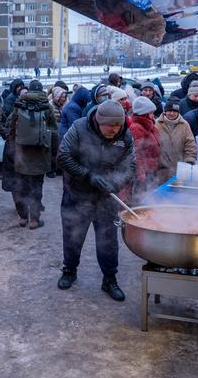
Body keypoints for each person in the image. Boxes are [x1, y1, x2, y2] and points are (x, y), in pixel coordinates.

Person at [57, 100, 136, 301]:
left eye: (117, 125)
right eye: (109, 125)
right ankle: (69, 270)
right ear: (99, 121)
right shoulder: (79, 128)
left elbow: (130, 166)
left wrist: (115, 183)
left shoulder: (125, 135)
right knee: (73, 235)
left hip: (106, 197)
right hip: (77, 193)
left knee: (108, 240)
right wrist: (88, 175)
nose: (114, 130)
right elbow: (62, 156)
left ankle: (109, 279)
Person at [9, 80, 57, 229]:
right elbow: (54, 133)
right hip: (40, 154)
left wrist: (13, 148)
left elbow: (11, 128)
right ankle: (34, 220)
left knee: (21, 186)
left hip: (21, 153)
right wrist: (54, 153)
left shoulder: (19, 105)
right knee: (37, 187)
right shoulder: (47, 107)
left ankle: (23, 217)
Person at [155, 98, 197, 182]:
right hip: (160, 169)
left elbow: (190, 144)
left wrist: (189, 160)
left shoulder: (184, 125)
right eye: (169, 110)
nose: (171, 113)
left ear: (178, 112)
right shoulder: (156, 124)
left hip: (179, 168)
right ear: (165, 111)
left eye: (174, 111)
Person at [129, 97, 160, 203]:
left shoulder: (149, 125)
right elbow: (136, 153)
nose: (153, 115)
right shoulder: (136, 128)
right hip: (143, 173)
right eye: (151, 112)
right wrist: (140, 172)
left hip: (151, 169)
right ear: (144, 113)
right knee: (141, 198)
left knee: (149, 196)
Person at [48, 84, 68, 178]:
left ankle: (59, 169)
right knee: (52, 151)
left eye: (64, 97)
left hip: (62, 131)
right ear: (56, 96)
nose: (63, 99)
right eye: (61, 97)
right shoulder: (50, 105)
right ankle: (51, 170)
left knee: (61, 151)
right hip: (52, 131)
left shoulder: (66, 104)